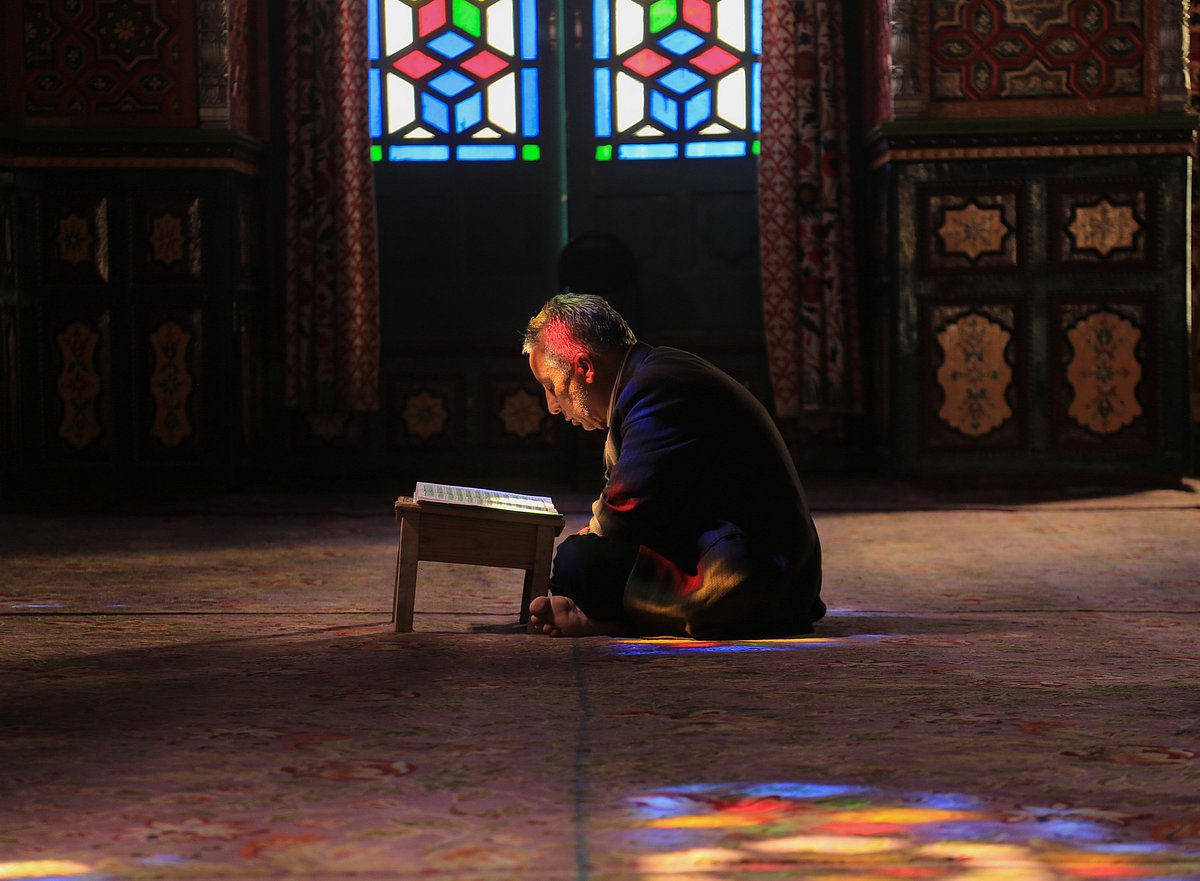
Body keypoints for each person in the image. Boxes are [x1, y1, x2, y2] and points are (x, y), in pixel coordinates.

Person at [522, 293, 824, 638]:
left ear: (585, 368)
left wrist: (590, 541)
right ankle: (609, 615)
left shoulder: (655, 388)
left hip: (756, 575)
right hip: (748, 558)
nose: (552, 407)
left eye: (551, 386)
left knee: (578, 561)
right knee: (583, 560)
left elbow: (624, 511)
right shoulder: (652, 374)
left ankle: (610, 617)